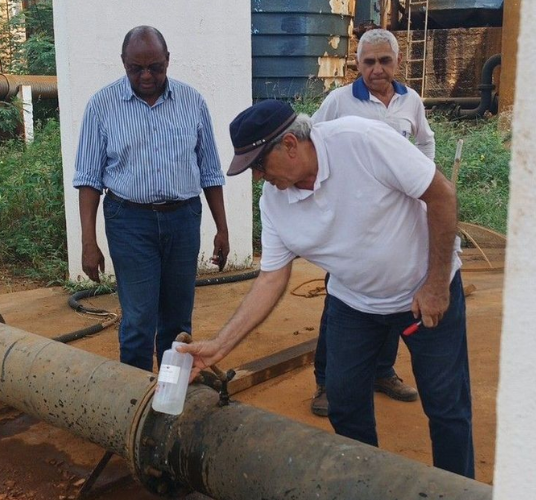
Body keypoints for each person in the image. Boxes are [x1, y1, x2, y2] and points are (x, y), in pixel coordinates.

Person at [179, 100, 474, 478]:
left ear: (289, 144)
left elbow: (441, 195)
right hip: (354, 304)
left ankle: (460, 488)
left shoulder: (362, 141)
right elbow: (271, 278)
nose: (257, 178)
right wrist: (219, 346)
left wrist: (435, 284)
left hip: (424, 293)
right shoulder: (274, 204)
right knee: (345, 404)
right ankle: (368, 485)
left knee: (447, 407)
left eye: (258, 165)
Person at [73, 26, 229, 372]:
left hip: (183, 218)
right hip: (129, 221)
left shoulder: (193, 102)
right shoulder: (102, 106)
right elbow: (88, 180)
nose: (146, 75)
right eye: (136, 68)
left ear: (168, 60)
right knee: (139, 320)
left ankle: (171, 396)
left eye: (155, 67)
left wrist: (222, 228)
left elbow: (210, 172)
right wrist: (88, 241)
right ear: (123, 63)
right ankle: (135, 403)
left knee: (177, 319)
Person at [309, 28, 436, 415]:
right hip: (352, 225)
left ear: (397, 63)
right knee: (341, 301)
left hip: (397, 223)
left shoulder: (411, 101)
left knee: (393, 300)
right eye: (368, 62)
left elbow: (426, 141)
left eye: (384, 61)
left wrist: (424, 176)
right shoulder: (339, 101)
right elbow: (309, 141)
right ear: (357, 64)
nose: (377, 69)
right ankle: (326, 383)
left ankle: (382, 371)